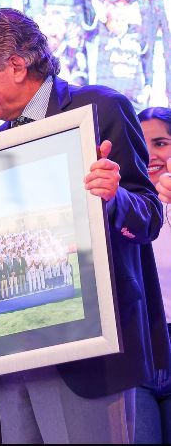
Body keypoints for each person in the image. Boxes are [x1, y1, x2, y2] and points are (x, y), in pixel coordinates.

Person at [0, 7, 168, 443]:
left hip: (90, 354)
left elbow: (149, 213)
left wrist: (115, 196)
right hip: (15, 357)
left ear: (15, 66)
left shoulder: (101, 107)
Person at [137, 106, 171, 443]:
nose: (150, 155)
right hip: (138, 351)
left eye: (160, 143)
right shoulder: (122, 204)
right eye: (141, 143)